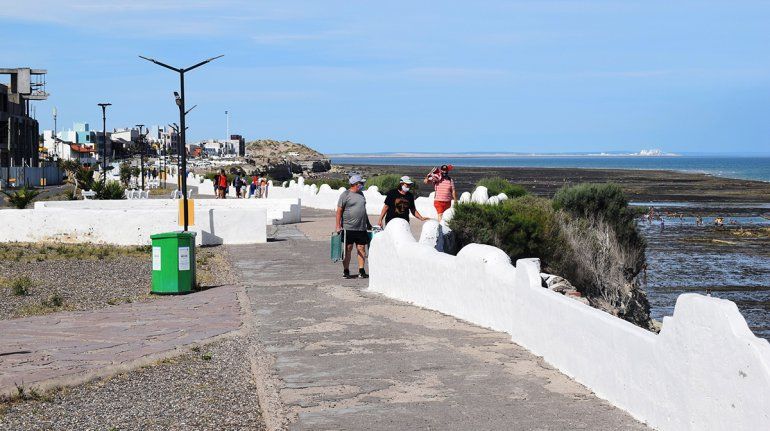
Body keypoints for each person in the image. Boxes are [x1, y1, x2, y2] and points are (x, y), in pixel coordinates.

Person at [336, 174, 371, 279]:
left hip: (361, 227)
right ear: (356, 184)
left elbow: (363, 211)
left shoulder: (361, 194)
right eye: (361, 183)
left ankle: (361, 270)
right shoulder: (345, 195)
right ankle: (346, 270)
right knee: (348, 249)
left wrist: (368, 223)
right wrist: (338, 226)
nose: (363, 185)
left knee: (361, 248)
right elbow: (339, 211)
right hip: (348, 228)